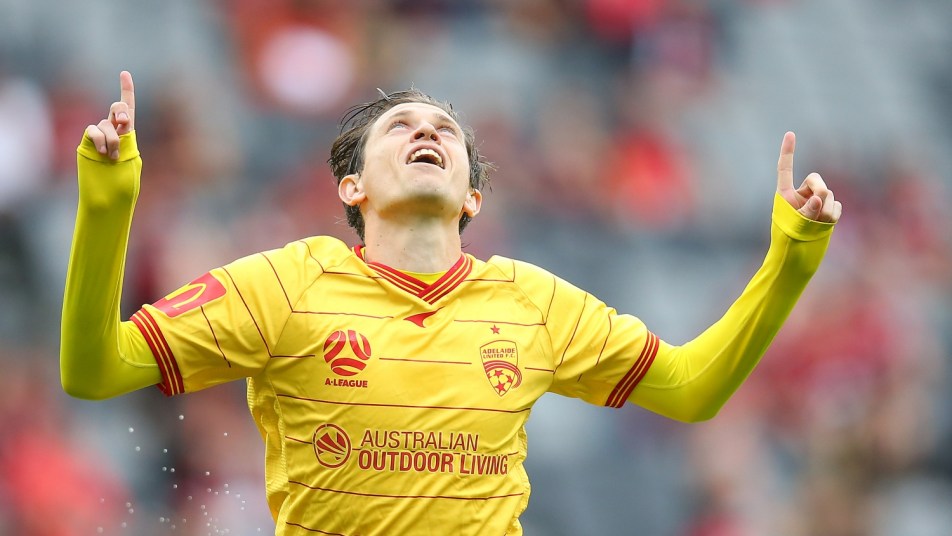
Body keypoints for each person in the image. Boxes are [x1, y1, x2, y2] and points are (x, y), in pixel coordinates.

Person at [61, 71, 841, 535]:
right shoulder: (284, 284)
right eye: (399, 126)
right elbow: (95, 373)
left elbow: (693, 389)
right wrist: (108, 201)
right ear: (352, 187)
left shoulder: (533, 302)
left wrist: (792, 254)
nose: (425, 130)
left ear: (471, 195)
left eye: (444, 129)